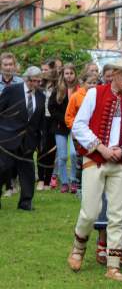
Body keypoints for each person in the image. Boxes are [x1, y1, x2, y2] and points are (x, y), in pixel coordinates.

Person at [67, 58, 122, 281]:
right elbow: (79, 125)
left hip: (119, 162)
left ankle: (113, 265)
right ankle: (78, 247)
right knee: (90, 211)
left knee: (117, 214)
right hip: (95, 159)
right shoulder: (95, 94)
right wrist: (100, 147)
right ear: (113, 74)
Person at [0, 67, 45, 210]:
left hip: (29, 141)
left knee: (28, 172)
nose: (38, 84)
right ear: (26, 79)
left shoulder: (41, 96)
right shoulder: (11, 91)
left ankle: (26, 203)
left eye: (39, 81)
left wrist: (39, 140)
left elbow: (40, 120)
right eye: (35, 81)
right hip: (8, 138)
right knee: (2, 169)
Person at [48, 63, 79, 193]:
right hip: (60, 126)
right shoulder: (58, 89)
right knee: (62, 156)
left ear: (75, 74)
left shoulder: (80, 89)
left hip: (75, 126)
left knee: (73, 153)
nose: (69, 76)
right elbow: (51, 107)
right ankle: (64, 182)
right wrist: (64, 118)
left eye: (71, 73)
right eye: (66, 73)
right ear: (63, 74)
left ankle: (73, 180)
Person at [0, 52, 23, 197]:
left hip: (15, 124)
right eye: (5, 64)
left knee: (12, 157)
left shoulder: (20, 82)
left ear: (14, 66)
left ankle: (11, 182)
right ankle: (7, 185)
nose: (8, 68)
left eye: (11, 64)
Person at [36, 59, 58, 191]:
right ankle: (40, 178)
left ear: (52, 70)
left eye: (46, 69)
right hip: (40, 120)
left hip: (53, 120)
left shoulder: (58, 86)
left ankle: (48, 180)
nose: (43, 72)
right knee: (41, 149)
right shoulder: (39, 85)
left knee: (51, 149)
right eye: (42, 70)